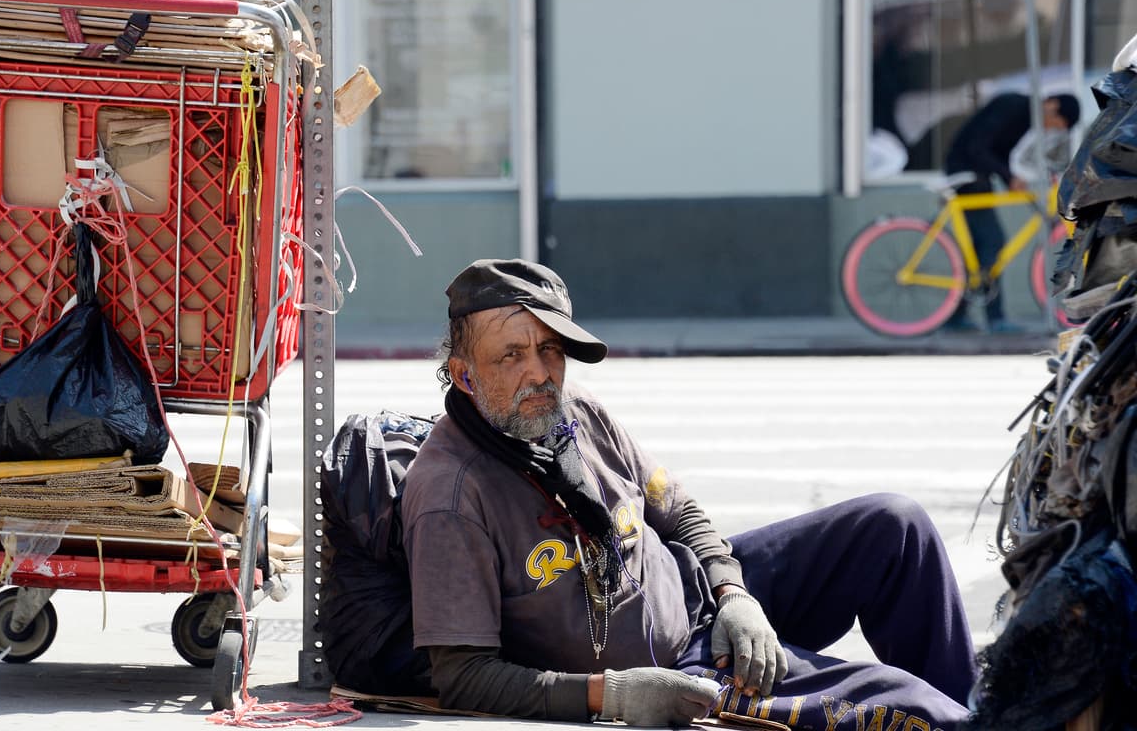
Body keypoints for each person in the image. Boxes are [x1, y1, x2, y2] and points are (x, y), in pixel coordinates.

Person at [400, 258, 978, 728]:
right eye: (511, 355)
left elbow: (679, 512)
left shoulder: (573, 412)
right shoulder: (451, 493)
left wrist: (733, 592)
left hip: (695, 594)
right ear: (464, 374)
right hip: (674, 669)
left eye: (550, 349)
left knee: (896, 525)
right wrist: (613, 694)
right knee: (916, 711)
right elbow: (465, 677)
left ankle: (984, 715)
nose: (540, 373)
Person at [942, 92, 1081, 333]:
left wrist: (1010, 178)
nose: (1050, 129)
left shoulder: (1023, 115)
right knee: (993, 241)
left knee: (980, 248)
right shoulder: (1013, 107)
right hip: (966, 173)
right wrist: (1008, 176)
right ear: (1052, 105)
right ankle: (994, 318)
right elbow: (978, 147)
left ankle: (956, 316)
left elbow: (997, 150)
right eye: (1056, 124)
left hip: (974, 173)